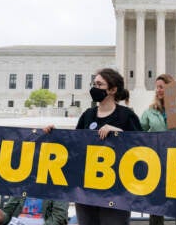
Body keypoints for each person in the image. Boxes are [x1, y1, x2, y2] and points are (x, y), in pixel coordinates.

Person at [44, 68, 142, 225]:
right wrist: (55, 134)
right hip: (86, 191)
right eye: (94, 83)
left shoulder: (126, 115)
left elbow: (142, 147)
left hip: (116, 193)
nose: (94, 88)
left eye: (99, 84)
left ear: (113, 89)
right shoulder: (88, 115)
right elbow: (74, 145)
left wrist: (119, 133)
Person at [140, 73, 176, 225]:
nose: (159, 90)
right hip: (156, 164)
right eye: (157, 87)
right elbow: (138, 133)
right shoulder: (149, 112)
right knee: (156, 209)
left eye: (162, 87)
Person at [0, 196, 68, 225]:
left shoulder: (59, 188)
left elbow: (59, 217)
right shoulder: (22, 186)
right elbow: (8, 213)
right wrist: (1, 217)